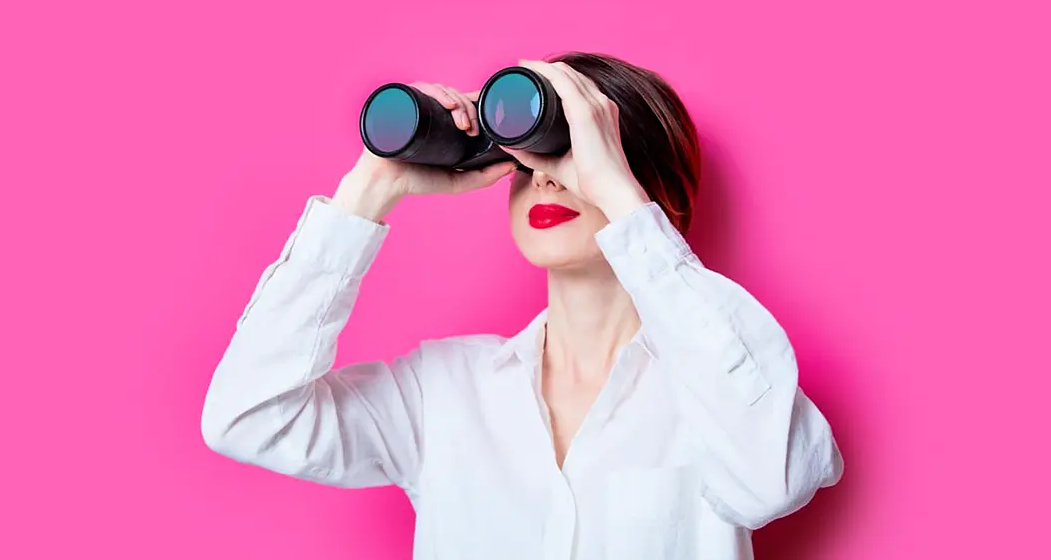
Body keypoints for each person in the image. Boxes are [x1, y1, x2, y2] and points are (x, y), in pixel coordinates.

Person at [200, 51, 843, 560]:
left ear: (656, 196)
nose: (545, 175)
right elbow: (248, 418)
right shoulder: (444, 392)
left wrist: (621, 195)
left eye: (572, 153)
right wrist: (371, 187)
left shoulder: (714, 391)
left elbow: (773, 480)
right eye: (529, 156)